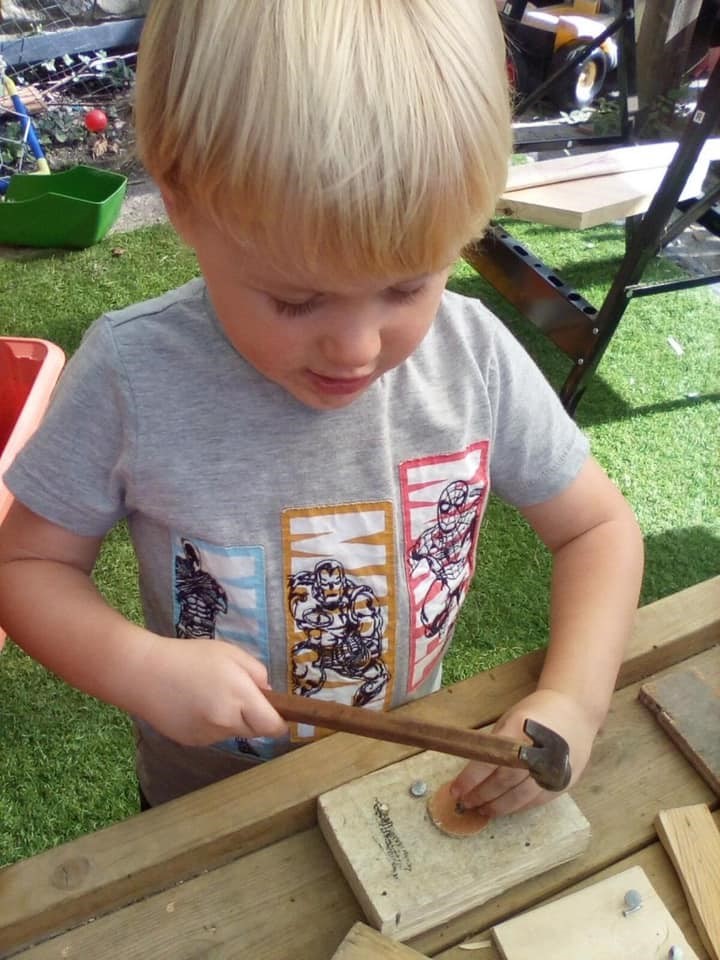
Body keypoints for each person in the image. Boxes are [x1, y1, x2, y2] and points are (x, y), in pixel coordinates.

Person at [0, 0, 643, 812]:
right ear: (182, 204)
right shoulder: (133, 373)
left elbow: (597, 530)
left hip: (398, 783)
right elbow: (27, 567)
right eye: (296, 300)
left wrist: (574, 700)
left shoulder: (473, 356)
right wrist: (140, 667)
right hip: (208, 804)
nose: (357, 349)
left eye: (407, 287)